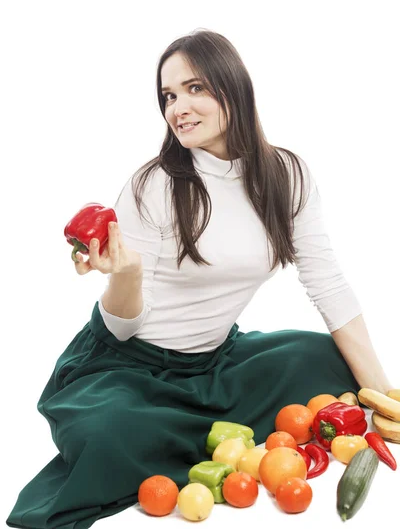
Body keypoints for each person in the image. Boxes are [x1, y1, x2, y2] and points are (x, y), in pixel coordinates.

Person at [7, 29, 394, 529]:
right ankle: (195, 439)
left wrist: (382, 393)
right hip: (128, 366)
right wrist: (125, 275)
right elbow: (122, 327)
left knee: (327, 359)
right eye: (168, 96)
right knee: (107, 432)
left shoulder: (288, 176)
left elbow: (328, 284)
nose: (177, 108)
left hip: (215, 364)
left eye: (194, 89)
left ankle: (182, 435)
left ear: (233, 87)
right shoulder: (153, 184)